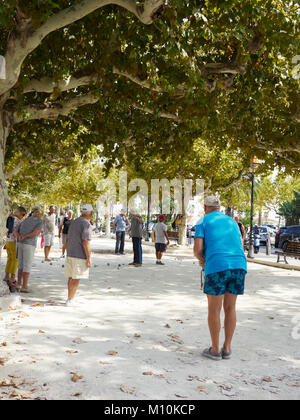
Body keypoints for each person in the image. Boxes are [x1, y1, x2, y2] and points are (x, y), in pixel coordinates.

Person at [194, 196, 247, 361]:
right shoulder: (232, 222)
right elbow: (240, 244)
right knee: (231, 308)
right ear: (219, 207)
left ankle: (215, 349)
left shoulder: (202, 222)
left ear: (205, 207)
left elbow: (198, 249)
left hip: (217, 266)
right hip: (239, 265)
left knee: (214, 309)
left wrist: (203, 261)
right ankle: (227, 347)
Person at [65, 204, 93, 307]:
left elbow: (68, 238)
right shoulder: (86, 224)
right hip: (79, 254)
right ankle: (70, 299)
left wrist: (65, 249)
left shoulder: (74, 221)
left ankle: (69, 297)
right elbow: (85, 241)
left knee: (71, 277)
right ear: (90, 213)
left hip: (71, 252)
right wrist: (89, 258)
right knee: (76, 278)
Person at [15, 208, 43, 293]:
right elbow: (35, 233)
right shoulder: (39, 221)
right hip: (29, 244)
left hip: (20, 243)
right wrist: (25, 236)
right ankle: (24, 286)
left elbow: (15, 230)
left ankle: (19, 284)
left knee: (20, 264)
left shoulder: (25, 220)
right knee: (27, 265)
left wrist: (19, 236)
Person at [3, 207, 26, 292]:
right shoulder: (19, 221)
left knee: (9, 259)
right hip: (14, 242)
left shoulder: (10, 217)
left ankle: (6, 276)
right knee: (15, 260)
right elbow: (17, 231)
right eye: (23, 214)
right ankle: (12, 278)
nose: (23, 216)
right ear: (20, 213)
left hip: (8, 241)